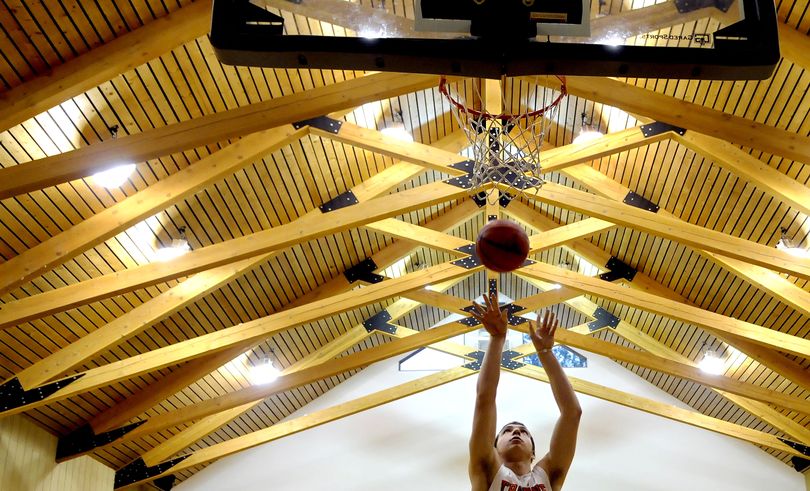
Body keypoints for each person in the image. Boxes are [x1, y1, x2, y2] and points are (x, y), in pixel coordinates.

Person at [468, 292, 581, 491]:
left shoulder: (547, 476)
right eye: (507, 431)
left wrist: (546, 353)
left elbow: (572, 412)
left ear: (533, 454)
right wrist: (496, 339)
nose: (517, 432)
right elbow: (485, 399)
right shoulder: (487, 468)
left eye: (523, 431)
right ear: (493, 448)